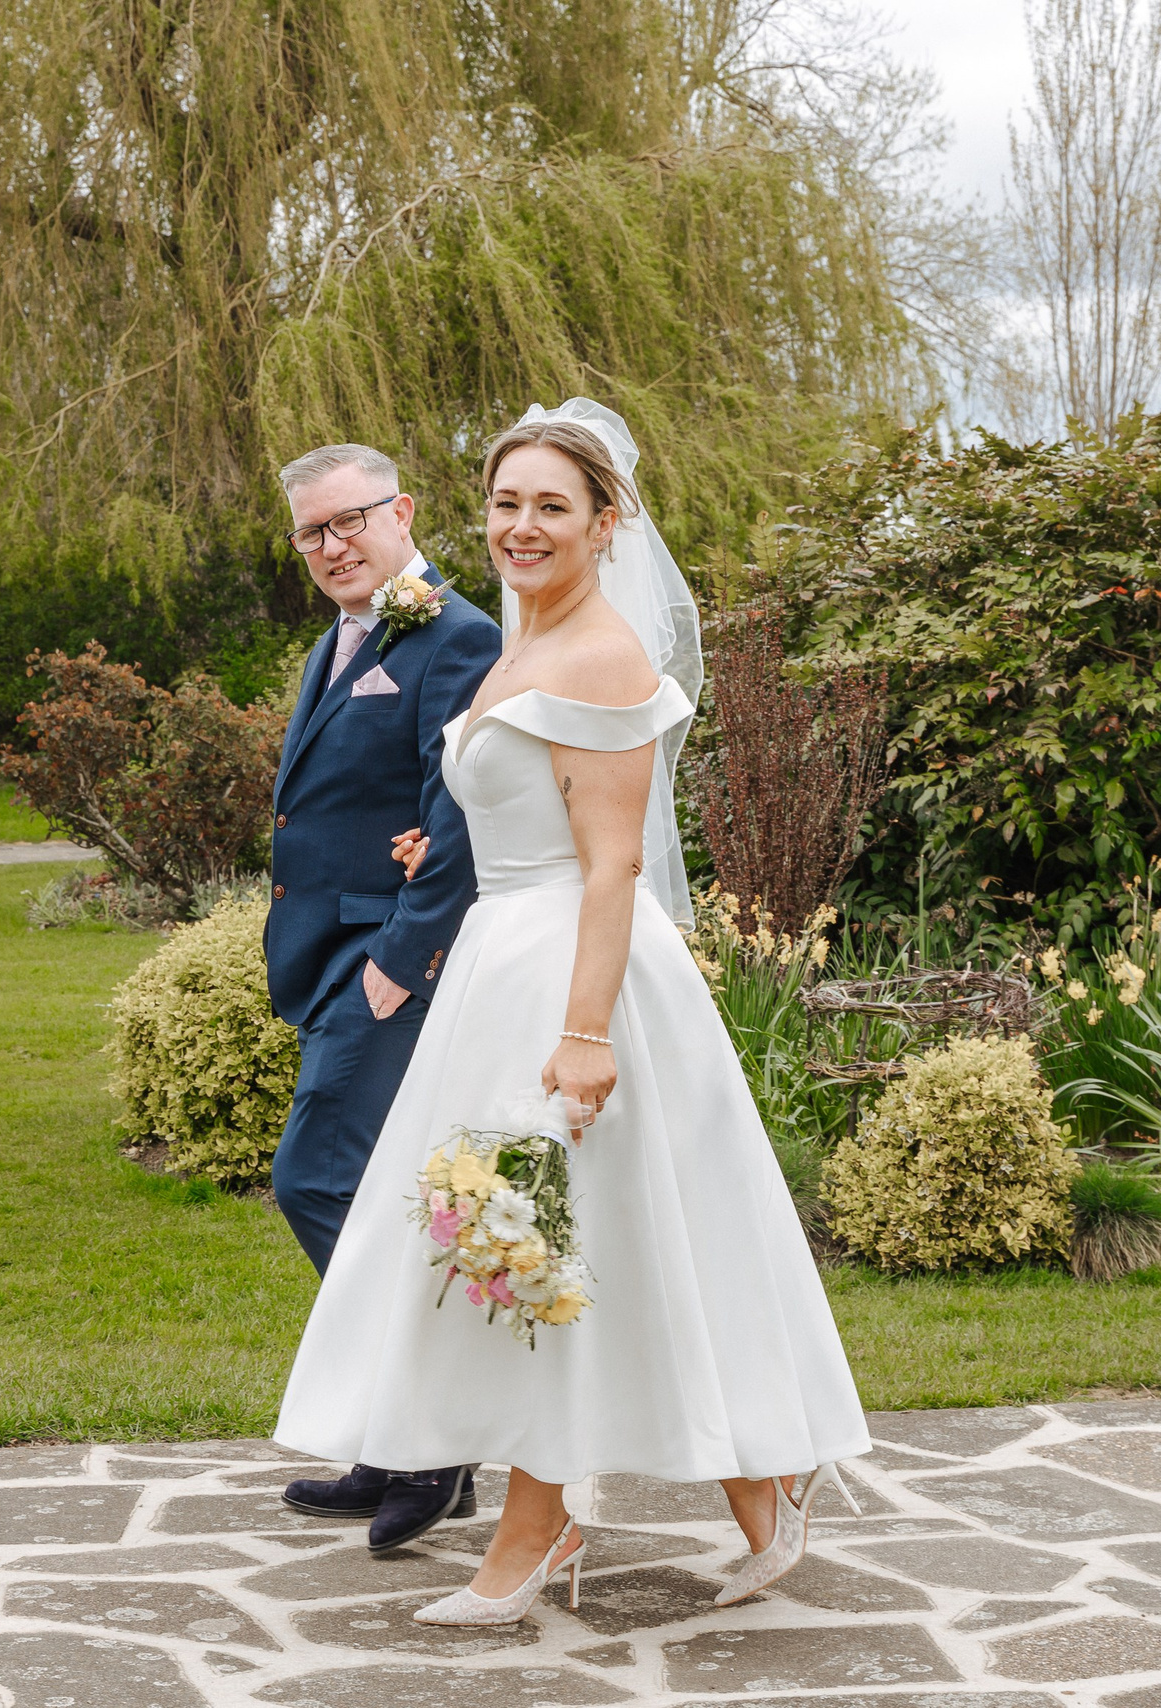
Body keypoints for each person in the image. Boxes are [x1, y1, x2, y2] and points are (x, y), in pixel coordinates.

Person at [273, 400, 870, 1624]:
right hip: (501, 962)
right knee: (584, 1244)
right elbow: (514, 803)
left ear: (607, 522)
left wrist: (585, 1033)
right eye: (505, 503)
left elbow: (609, 863)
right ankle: (759, 1480)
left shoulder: (597, 651)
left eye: (552, 505)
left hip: (573, 980)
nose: (521, 527)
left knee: (534, 1242)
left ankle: (539, 1531)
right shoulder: (515, 644)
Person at [262, 444, 504, 1551]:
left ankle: (434, 1436)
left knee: (316, 1178)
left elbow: (454, 812)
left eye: (348, 521)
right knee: (366, 1193)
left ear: (401, 510)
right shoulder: (344, 637)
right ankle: (399, 1435)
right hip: (330, 950)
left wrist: (398, 962)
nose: (330, 547)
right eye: (311, 532)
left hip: (393, 957)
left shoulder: (453, 634)